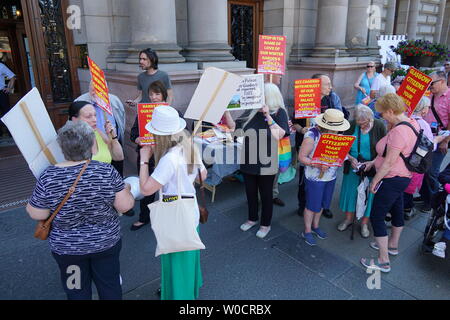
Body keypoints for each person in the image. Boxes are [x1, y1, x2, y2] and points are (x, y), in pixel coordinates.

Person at [26, 121, 135, 300]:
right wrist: (128, 190)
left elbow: (37, 213)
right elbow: (125, 206)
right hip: (105, 243)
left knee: (76, 290)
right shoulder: (105, 171)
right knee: (110, 286)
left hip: (68, 250)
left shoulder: (48, 176)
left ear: (62, 148)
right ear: (93, 146)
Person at [138, 106, 207, 300]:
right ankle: (188, 288)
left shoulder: (169, 159)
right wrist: (185, 180)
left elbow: (145, 189)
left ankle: (180, 296)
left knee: (176, 260)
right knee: (187, 258)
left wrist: (144, 161)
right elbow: (203, 174)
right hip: (189, 209)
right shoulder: (189, 146)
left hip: (174, 214)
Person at [360, 93, 420, 273]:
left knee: (377, 216)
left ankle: (383, 261)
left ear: (391, 111)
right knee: (396, 209)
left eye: (383, 113)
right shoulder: (411, 122)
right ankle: (392, 245)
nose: (381, 116)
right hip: (402, 177)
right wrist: (373, 162)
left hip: (391, 178)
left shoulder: (399, 131)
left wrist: (374, 182)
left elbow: (388, 162)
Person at [239, 83, 290, 239]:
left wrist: (268, 116)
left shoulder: (279, 113)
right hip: (248, 158)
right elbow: (236, 127)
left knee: (266, 195)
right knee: (250, 192)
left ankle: (265, 224)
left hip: (267, 161)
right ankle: (252, 218)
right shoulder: (252, 111)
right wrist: (228, 111)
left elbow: (279, 135)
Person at [299, 109, 350, 246]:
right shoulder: (312, 135)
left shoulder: (337, 135)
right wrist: (316, 164)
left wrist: (345, 158)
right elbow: (301, 157)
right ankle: (307, 230)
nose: (336, 131)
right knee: (311, 205)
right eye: (333, 129)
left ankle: (315, 226)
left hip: (330, 176)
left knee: (322, 203)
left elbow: (340, 154)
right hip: (314, 177)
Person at [338, 105, 387, 238]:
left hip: (371, 168)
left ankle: (364, 223)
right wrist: (350, 158)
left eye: (364, 123)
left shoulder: (379, 126)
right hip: (353, 167)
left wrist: (373, 162)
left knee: (368, 196)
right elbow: (342, 146)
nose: (361, 126)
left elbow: (385, 150)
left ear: (370, 118)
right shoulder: (351, 125)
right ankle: (348, 219)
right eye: (359, 123)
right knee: (350, 193)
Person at [129, 81, 168, 231]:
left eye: (157, 93)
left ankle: (167, 215)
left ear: (163, 94)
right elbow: (133, 134)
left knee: (168, 189)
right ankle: (144, 218)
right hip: (147, 156)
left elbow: (181, 134)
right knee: (146, 188)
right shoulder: (143, 112)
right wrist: (140, 140)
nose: (153, 97)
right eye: (151, 94)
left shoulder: (173, 111)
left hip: (165, 156)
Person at [75, 81, 126, 176]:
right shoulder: (79, 102)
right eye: (93, 90)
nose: (95, 93)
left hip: (114, 142)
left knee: (117, 174)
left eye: (99, 90)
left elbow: (122, 119)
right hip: (93, 149)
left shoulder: (114, 101)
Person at [417, 71, 450, 212]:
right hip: (426, 137)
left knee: (431, 171)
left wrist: (445, 141)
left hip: (441, 139)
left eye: (432, 83)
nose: (429, 86)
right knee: (422, 167)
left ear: (442, 81)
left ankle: (432, 201)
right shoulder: (429, 94)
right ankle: (425, 195)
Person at [263, 73, 285, 207]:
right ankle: (262, 198)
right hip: (260, 150)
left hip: (275, 150)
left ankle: (273, 195)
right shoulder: (257, 111)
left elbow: (282, 133)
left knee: (273, 176)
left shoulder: (279, 112)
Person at [0, 60, 15, 137]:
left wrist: (9, 88)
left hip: (1, 93)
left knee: (6, 113)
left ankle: (10, 132)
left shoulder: (1, 66)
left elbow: (12, 76)